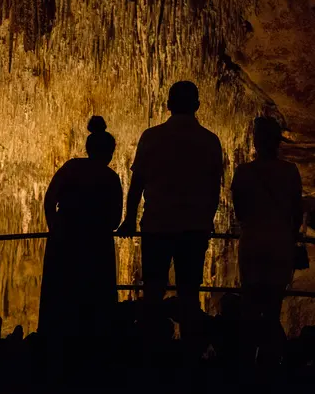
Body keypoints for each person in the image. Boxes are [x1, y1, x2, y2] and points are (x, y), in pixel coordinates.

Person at [117, 81, 223, 360]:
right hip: (194, 227)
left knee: (153, 288)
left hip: (158, 225)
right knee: (189, 291)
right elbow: (215, 189)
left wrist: (129, 219)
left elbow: (137, 183)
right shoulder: (210, 141)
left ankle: (150, 351)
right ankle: (190, 354)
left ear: (168, 105)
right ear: (197, 106)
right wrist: (207, 220)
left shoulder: (152, 137)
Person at [38, 116, 123, 379]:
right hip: (96, 244)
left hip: (65, 241)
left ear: (88, 149)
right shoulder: (110, 177)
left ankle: (56, 356)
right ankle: (93, 357)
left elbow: (50, 197)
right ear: (109, 153)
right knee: (94, 299)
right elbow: (115, 218)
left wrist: (55, 226)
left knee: (61, 295)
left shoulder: (71, 168)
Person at [231, 116, 302, 368]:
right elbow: (297, 209)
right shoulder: (289, 171)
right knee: (273, 305)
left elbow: (239, 209)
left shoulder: (244, 172)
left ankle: (246, 361)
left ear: (256, 141)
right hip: (279, 242)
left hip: (252, 242)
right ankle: (270, 362)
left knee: (250, 304)